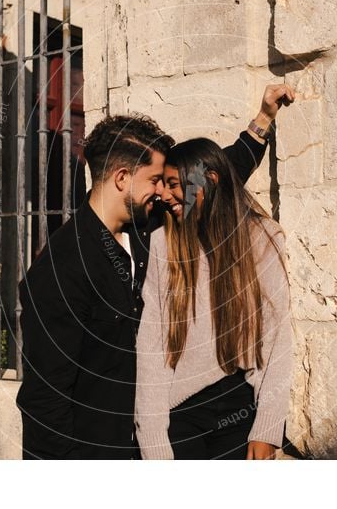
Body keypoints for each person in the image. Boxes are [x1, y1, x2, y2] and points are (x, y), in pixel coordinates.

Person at [16, 84, 295, 459]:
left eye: (168, 185)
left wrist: (262, 121)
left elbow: (214, 181)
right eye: (154, 181)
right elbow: (44, 402)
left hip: (154, 436)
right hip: (101, 450)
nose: (163, 193)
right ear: (121, 179)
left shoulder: (151, 226)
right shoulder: (60, 269)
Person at [135, 138, 291, 460]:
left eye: (173, 184)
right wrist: (153, 441)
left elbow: (277, 339)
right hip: (180, 414)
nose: (164, 195)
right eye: (163, 184)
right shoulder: (162, 246)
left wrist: (268, 427)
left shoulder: (262, 239)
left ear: (210, 181)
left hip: (240, 408)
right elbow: (151, 349)